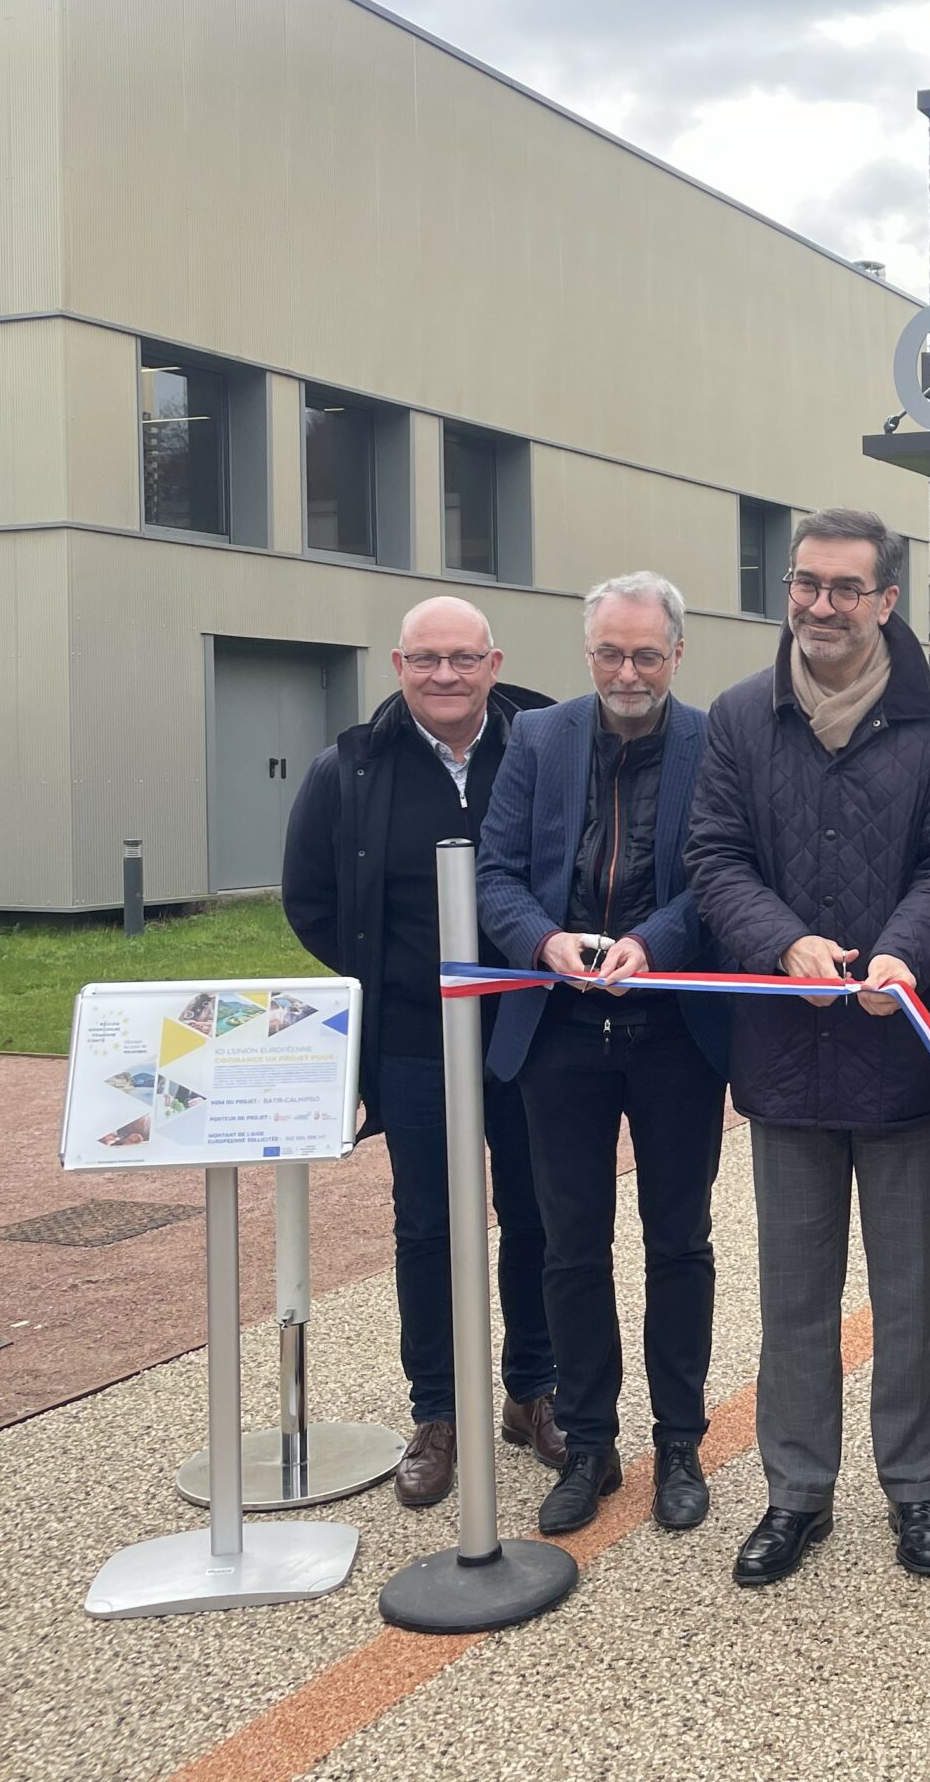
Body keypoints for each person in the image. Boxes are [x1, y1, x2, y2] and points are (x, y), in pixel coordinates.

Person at [686, 507, 930, 1588]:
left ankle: (915, 1490)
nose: (821, 605)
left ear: (887, 601)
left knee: (909, 1291)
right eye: (806, 584)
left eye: (845, 588)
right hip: (783, 1051)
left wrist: (900, 954)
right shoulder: (737, 715)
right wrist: (784, 944)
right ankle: (795, 1492)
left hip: (900, 1050)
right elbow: (714, 857)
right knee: (794, 1290)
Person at [281, 596, 559, 1507]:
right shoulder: (350, 769)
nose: (446, 675)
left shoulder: (546, 747)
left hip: (528, 1029)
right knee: (429, 1227)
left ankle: (532, 1392)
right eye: (427, 659)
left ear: (493, 662)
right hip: (411, 1039)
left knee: (537, 1215)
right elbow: (311, 900)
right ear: (398, 666)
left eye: (464, 658)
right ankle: (438, 1412)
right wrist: (390, 974)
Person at [475, 573, 731, 1537]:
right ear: (588, 655)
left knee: (679, 1242)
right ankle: (588, 1443)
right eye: (611, 654)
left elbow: (724, 873)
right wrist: (544, 941)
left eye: (648, 655)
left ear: (678, 654)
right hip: (560, 1031)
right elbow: (496, 872)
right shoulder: (538, 740)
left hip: (674, 1030)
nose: (629, 672)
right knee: (567, 1244)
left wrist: (656, 943)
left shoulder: (716, 743)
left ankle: (678, 1441)